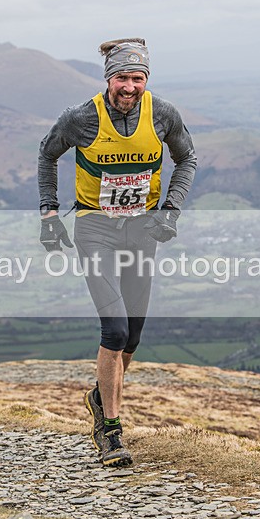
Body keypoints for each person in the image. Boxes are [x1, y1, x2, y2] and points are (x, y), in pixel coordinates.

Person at [37, 38, 196, 467]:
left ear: (146, 80)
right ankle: (110, 432)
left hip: (143, 229)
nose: (129, 86)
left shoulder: (162, 114)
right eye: (122, 78)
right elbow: (47, 154)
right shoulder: (80, 118)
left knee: (135, 335)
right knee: (116, 331)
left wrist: (171, 211)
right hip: (95, 228)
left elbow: (187, 159)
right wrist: (49, 213)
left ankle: (99, 394)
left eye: (137, 78)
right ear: (109, 79)